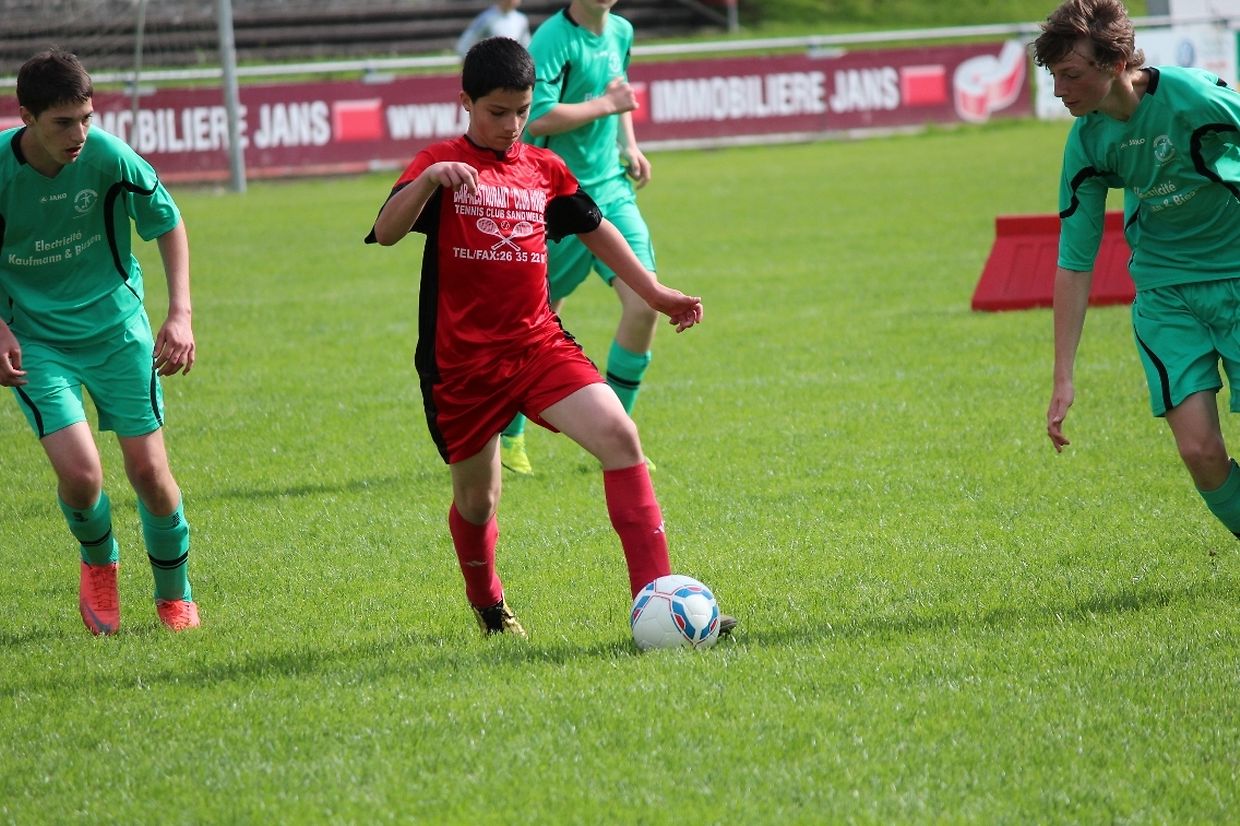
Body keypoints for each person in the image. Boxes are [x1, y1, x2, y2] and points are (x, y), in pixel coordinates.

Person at [365, 36, 735, 639]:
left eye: (522, 111)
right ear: (465, 102)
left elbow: (595, 228)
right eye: (497, 112)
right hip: (461, 366)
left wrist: (654, 291)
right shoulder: (441, 163)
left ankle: (660, 602)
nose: (512, 125)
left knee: (620, 436)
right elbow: (385, 231)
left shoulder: (543, 168)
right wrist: (429, 180)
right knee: (479, 502)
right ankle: (488, 603)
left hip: (537, 346)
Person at [0, 50, 201, 635]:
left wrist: (180, 315)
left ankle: (175, 596)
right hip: (36, 342)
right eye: (63, 122)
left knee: (150, 474)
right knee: (83, 476)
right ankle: (99, 563)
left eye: (86, 117)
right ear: (26, 116)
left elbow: (168, 222)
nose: (80, 134)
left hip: (116, 332)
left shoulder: (109, 156)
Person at [1036, 0, 1240, 538]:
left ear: (1115, 61)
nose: (1058, 90)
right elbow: (1074, 262)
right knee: (1199, 451)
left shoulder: (1191, 96)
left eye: (1070, 74)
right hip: (1166, 294)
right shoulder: (1087, 141)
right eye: (1054, 76)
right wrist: (1063, 376)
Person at [498, 0, 658, 476]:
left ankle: (618, 435)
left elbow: (618, 91)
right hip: (557, 197)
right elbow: (538, 117)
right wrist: (606, 105)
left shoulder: (621, 31)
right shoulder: (552, 39)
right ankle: (509, 435)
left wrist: (629, 144)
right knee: (535, 321)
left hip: (611, 190)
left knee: (645, 304)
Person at [455, 0, 531, 59]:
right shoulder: (486, 18)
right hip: (489, 66)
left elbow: (527, 46)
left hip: (512, 66)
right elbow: (465, 43)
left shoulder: (521, 19)